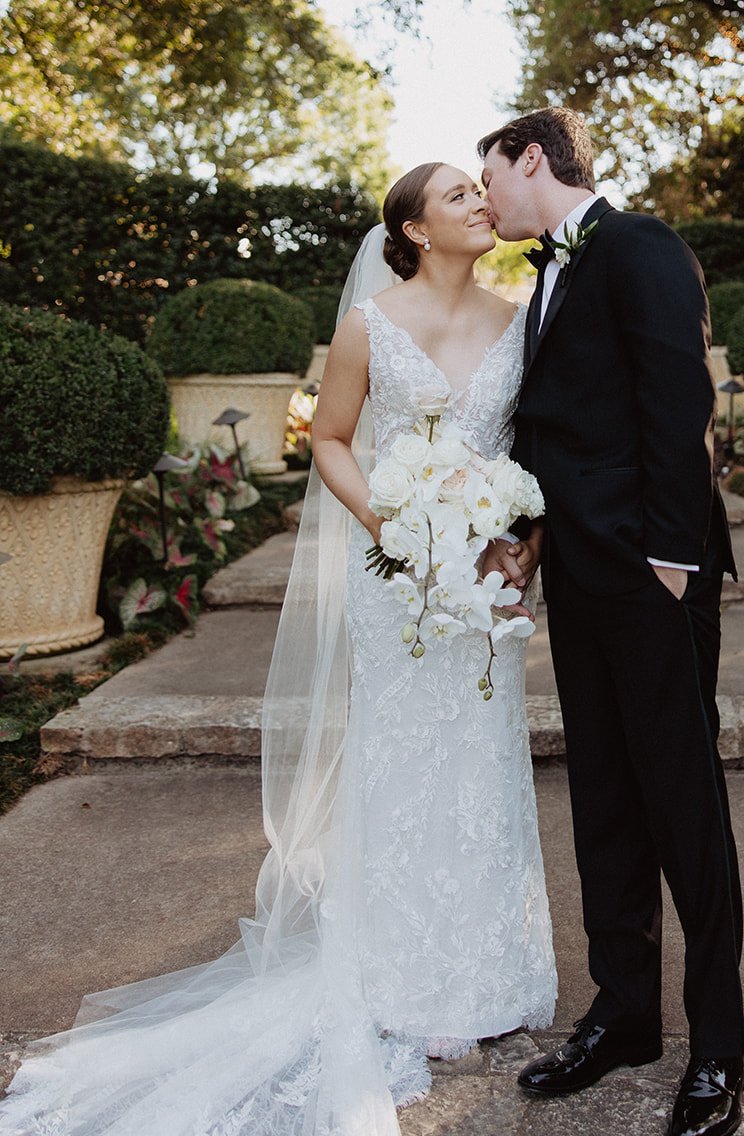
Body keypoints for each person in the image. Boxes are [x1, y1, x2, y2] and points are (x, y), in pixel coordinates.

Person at [0, 162, 555, 1136]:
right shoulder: (367, 325)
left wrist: (521, 539)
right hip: (398, 575)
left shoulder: (521, 317)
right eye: (457, 195)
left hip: (487, 579)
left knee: (481, 760)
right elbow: (332, 439)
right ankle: (395, 971)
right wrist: (390, 523)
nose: (479, 201)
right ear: (417, 231)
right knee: (402, 764)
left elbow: (532, 449)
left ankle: (482, 972)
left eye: (482, 189)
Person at [479, 109, 744, 1136]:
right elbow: (548, 426)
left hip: (649, 578)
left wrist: (671, 563)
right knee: (603, 800)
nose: (487, 196)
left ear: (531, 158)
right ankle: (624, 1011)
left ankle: (717, 1043)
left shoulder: (637, 246)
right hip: (579, 582)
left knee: (684, 808)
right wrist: (517, 536)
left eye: (490, 174)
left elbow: (678, 403)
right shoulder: (544, 276)